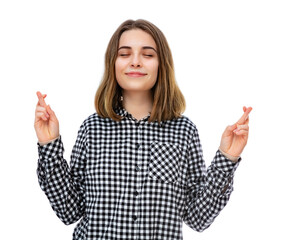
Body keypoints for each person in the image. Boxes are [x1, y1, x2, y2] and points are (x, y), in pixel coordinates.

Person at [34, 19, 252, 240]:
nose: (136, 62)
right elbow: (69, 211)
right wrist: (48, 145)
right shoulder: (92, 128)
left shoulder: (184, 131)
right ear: (113, 63)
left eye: (147, 55)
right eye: (125, 54)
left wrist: (227, 157)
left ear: (161, 64)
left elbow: (197, 217)